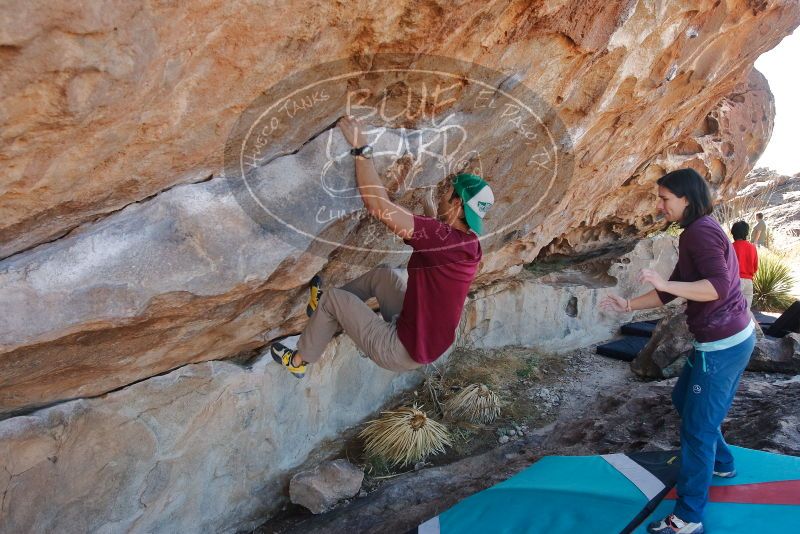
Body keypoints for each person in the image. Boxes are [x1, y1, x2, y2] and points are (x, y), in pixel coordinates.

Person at [270, 115, 494, 378]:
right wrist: (432, 213)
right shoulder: (468, 245)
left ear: (457, 206)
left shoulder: (440, 239)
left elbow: (378, 206)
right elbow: (440, 242)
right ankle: (323, 314)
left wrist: (362, 149)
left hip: (399, 349)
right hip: (422, 341)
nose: (443, 195)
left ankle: (299, 360)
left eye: (448, 194)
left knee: (333, 299)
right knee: (384, 275)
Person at [600, 168, 754, 534]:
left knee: (697, 430)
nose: (660, 205)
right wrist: (628, 305)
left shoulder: (699, 233)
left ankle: (687, 518)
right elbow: (674, 290)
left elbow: (715, 287)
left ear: (686, 198)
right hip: (731, 338)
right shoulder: (700, 230)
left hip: (722, 345)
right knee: (685, 398)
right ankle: (723, 462)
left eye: (665, 198)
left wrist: (664, 281)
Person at [731, 220, 758, 309]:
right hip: (748, 282)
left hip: (734, 281)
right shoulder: (752, 248)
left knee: (732, 310)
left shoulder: (730, 247)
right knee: (746, 312)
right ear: (746, 233)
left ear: (733, 233)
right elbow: (755, 267)